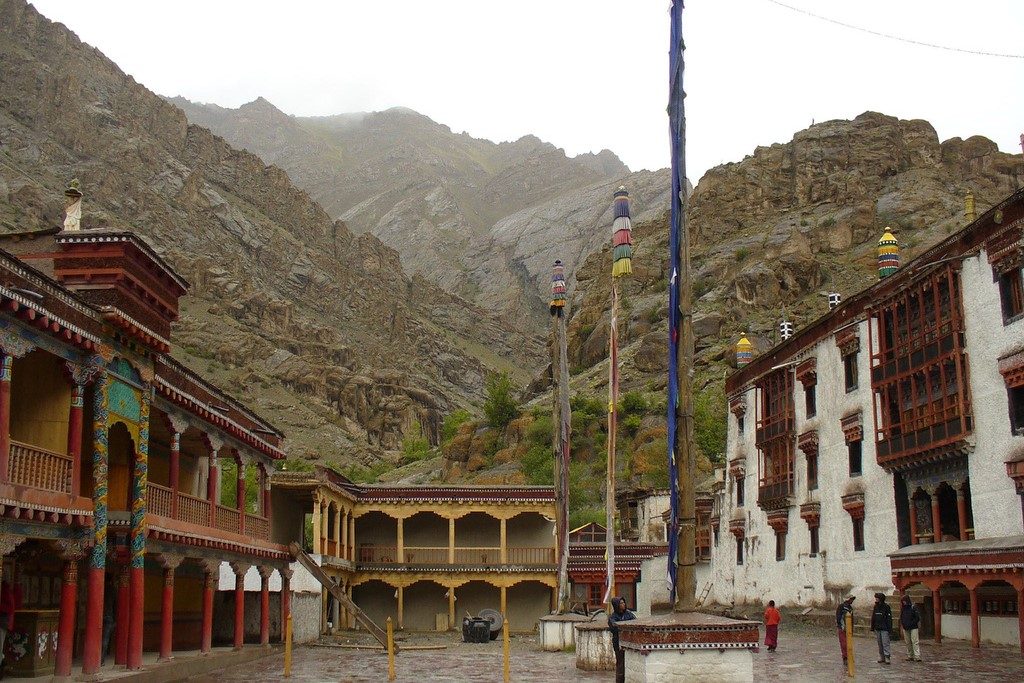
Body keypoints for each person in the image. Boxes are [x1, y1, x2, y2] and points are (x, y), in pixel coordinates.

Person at [607, 596, 635, 683]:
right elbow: (615, 627)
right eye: (621, 603)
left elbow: (635, 622)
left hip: (630, 642)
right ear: (616, 605)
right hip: (618, 643)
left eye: (623, 603)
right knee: (620, 664)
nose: (623, 605)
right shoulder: (613, 617)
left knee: (631, 662)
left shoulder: (629, 614)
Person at [870, 592, 893, 665]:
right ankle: (881, 656)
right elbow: (873, 617)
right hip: (878, 627)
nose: (876, 599)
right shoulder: (876, 607)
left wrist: (889, 628)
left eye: (877, 598)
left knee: (885, 643)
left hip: (884, 628)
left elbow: (889, 618)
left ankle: (887, 656)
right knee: (880, 643)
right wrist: (872, 627)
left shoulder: (886, 607)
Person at [900, 594, 921, 662]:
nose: (904, 602)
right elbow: (902, 617)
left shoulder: (913, 607)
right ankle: (910, 655)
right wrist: (903, 624)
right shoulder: (903, 608)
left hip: (913, 627)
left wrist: (911, 623)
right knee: (908, 642)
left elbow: (917, 618)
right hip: (906, 627)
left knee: (915, 641)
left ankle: (917, 656)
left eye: (904, 601)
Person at [835, 596, 855, 665]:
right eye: (851, 599)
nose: (852, 601)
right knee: (843, 644)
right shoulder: (841, 607)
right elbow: (838, 617)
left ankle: (849, 656)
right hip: (842, 627)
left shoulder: (850, 608)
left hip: (849, 628)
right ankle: (845, 657)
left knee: (849, 643)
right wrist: (840, 626)